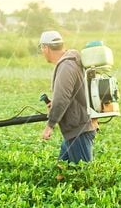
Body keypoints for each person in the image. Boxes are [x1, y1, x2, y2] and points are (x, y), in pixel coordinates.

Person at [38, 30, 96, 164]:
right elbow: (70, 95)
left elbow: (62, 98)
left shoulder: (66, 65)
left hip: (78, 130)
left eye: (42, 48)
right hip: (75, 129)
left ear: (46, 48)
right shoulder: (71, 62)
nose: (42, 51)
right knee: (61, 170)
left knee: (83, 174)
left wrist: (50, 126)